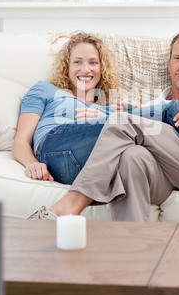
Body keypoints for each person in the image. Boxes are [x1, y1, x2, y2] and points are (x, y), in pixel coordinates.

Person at [27, 29, 179, 220]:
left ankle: (74, 201)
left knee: (142, 117)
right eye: (177, 58)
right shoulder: (155, 102)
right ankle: (132, 254)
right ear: (169, 64)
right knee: (132, 156)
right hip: (165, 174)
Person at [13, 31, 119, 188]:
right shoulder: (45, 89)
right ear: (67, 66)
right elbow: (21, 140)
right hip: (54, 148)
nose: (85, 69)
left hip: (93, 161)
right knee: (136, 121)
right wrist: (32, 163)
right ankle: (168, 111)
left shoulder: (108, 108)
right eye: (77, 62)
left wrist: (118, 113)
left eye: (93, 63)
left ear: (102, 68)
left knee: (137, 133)